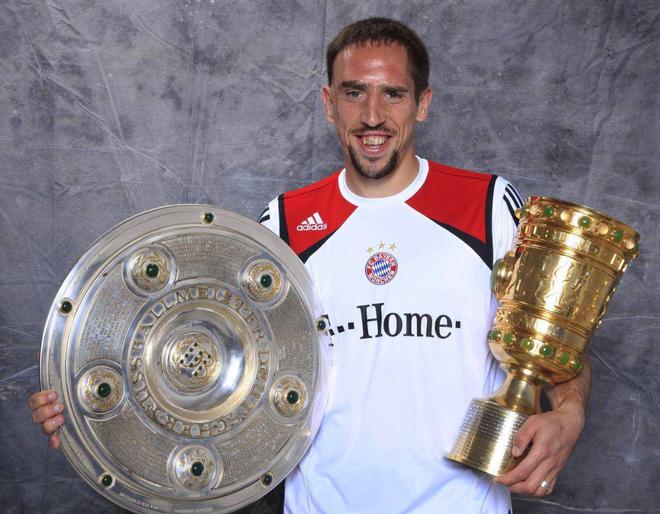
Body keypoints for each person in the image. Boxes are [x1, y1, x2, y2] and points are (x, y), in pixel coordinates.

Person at [29, 17, 591, 514]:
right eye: (354, 93)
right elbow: (200, 351)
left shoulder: (488, 206)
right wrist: (92, 414)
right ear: (328, 103)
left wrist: (570, 414)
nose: (372, 116)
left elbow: (557, 343)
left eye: (393, 94)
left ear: (423, 103)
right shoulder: (283, 224)